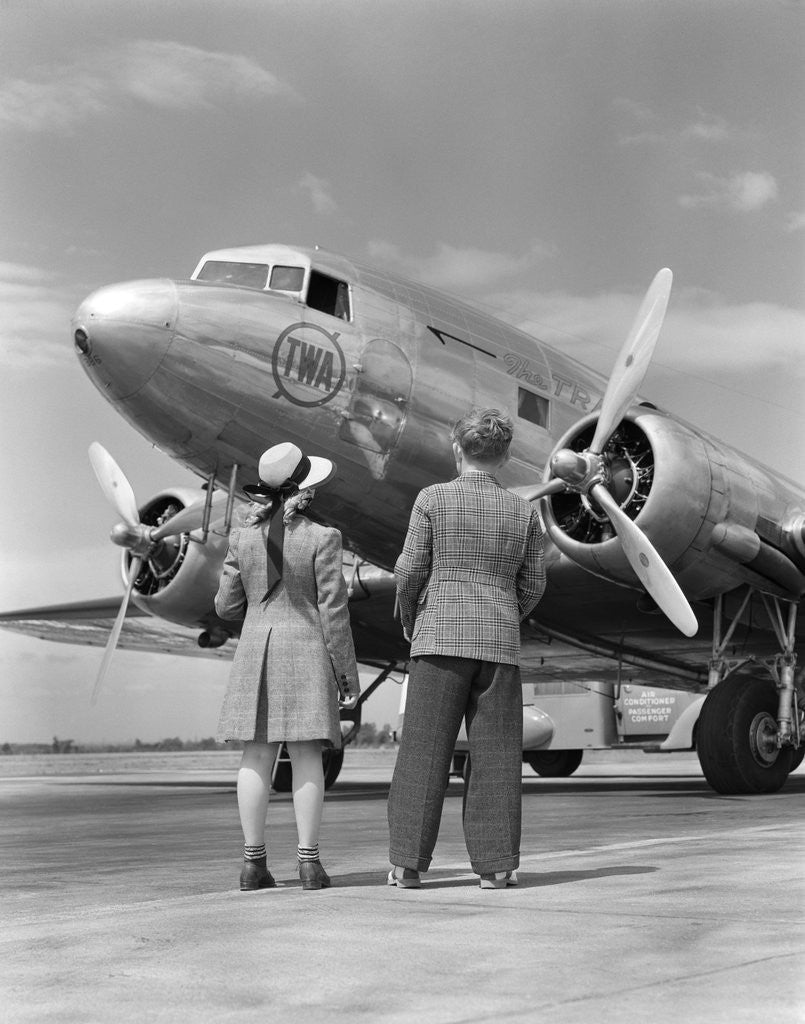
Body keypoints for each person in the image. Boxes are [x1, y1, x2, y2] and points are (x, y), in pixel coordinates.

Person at [387, 408, 546, 890]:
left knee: (422, 754)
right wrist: (502, 612)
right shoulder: (525, 511)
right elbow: (534, 584)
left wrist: (417, 620)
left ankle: (407, 866)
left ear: (458, 449)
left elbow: (409, 570)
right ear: (506, 456)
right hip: (498, 643)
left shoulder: (432, 499)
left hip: (438, 640)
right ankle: (497, 867)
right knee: (497, 757)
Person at [215, 442, 360, 892]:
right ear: (306, 489)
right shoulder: (324, 538)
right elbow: (334, 613)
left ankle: (252, 865)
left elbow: (224, 606)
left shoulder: (241, 538)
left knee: (255, 756)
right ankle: (309, 865)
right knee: (306, 758)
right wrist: (346, 675)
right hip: (305, 649)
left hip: (255, 651)